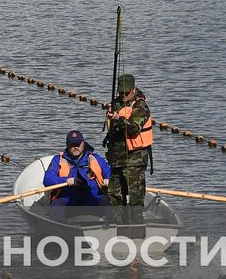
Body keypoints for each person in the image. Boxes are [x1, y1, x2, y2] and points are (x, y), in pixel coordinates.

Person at [104, 73, 154, 213]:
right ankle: (118, 228)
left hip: (134, 161)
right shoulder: (116, 103)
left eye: (126, 92)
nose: (123, 95)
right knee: (114, 197)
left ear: (133, 89)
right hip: (116, 160)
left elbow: (134, 129)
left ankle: (135, 232)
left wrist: (118, 118)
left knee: (135, 200)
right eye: (121, 92)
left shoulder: (140, 106)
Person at [44, 130, 111, 207]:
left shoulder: (95, 158)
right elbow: (47, 180)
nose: (75, 147)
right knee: (56, 205)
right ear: (67, 144)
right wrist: (66, 180)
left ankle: (111, 219)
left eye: (78, 144)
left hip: (91, 197)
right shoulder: (58, 159)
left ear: (83, 143)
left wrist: (109, 180)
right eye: (72, 144)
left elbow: (110, 175)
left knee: (106, 201)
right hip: (67, 198)